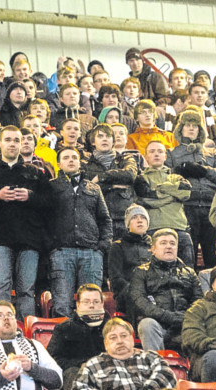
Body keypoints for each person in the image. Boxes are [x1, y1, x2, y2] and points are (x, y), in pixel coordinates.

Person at [0, 126, 50, 319]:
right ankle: (0, 325)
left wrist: (31, 196)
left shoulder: (36, 172)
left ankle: (27, 331)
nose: (12, 144)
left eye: (16, 140)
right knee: (2, 284)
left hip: (30, 239)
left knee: (26, 288)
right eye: (8, 140)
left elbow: (50, 203)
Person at [48, 147, 112, 317]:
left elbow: (105, 219)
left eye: (74, 157)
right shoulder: (51, 187)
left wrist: (102, 246)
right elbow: (43, 219)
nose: (71, 160)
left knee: (92, 304)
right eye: (66, 157)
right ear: (59, 163)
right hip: (62, 252)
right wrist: (51, 246)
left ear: (79, 162)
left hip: (91, 252)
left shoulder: (93, 188)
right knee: (62, 303)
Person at [165, 109, 216, 269]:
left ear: (200, 129)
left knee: (213, 256)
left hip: (210, 207)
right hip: (186, 208)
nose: (191, 128)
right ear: (181, 128)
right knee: (188, 257)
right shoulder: (171, 153)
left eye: (195, 125)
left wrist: (205, 170)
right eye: (187, 125)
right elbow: (166, 176)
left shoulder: (212, 153)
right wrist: (180, 169)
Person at [130, 229, 202, 351]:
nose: (169, 246)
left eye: (172, 243)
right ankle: (156, 365)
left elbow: (198, 301)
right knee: (147, 324)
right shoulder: (141, 272)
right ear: (153, 249)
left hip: (186, 324)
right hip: (158, 323)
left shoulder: (189, 272)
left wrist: (186, 317)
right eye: (163, 243)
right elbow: (140, 302)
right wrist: (168, 316)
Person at [134, 140, 194, 267]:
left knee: (187, 272)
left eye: (160, 151)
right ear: (146, 156)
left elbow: (186, 193)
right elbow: (147, 200)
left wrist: (160, 189)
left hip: (179, 229)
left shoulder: (177, 177)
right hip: (153, 230)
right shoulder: (140, 178)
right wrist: (173, 195)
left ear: (165, 156)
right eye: (152, 151)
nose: (156, 154)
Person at [72, 318, 176, 389]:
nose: (120, 341)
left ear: (132, 339)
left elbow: (168, 376)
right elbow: (79, 386)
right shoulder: (93, 364)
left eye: (124, 336)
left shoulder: (150, 357)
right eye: (113, 338)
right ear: (105, 343)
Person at [47, 284, 109, 390]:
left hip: (105, 371)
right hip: (76, 372)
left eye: (96, 302)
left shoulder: (111, 327)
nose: (91, 305)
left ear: (102, 304)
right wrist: (82, 364)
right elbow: (52, 359)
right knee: (74, 373)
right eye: (86, 302)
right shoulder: (64, 328)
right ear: (78, 304)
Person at [82, 124, 137, 241]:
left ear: (113, 141)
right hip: (98, 218)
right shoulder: (85, 164)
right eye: (100, 136)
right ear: (93, 142)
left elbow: (130, 175)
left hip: (124, 217)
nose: (105, 139)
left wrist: (102, 177)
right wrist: (113, 185)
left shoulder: (125, 159)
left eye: (108, 136)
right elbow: (87, 188)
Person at [182, 264, 216, 383]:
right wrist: (215, 345)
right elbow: (191, 334)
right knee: (214, 357)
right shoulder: (200, 307)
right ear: (212, 285)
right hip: (209, 354)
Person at [107, 204, 152, 316]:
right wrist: (138, 291)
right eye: (134, 217)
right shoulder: (118, 246)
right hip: (128, 294)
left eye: (143, 218)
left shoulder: (155, 246)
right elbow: (116, 279)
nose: (139, 220)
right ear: (127, 224)